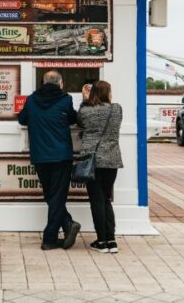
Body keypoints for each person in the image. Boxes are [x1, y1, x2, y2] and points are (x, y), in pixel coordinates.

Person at [17, 70, 81, 250]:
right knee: (57, 196)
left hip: (40, 156)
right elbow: (73, 119)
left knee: (50, 196)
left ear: (43, 83)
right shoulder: (66, 100)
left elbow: (22, 119)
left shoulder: (31, 100)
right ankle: (52, 237)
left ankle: (64, 227)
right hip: (61, 156)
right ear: (60, 83)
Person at [78, 80, 123, 253]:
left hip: (93, 160)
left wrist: (85, 99)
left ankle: (101, 241)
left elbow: (80, 120)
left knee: (96, 200)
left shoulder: (86, 111)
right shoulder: (117, 109)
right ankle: (111, 241)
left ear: (93, 93)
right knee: (105, 199)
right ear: (108, 93)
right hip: (112, 160)